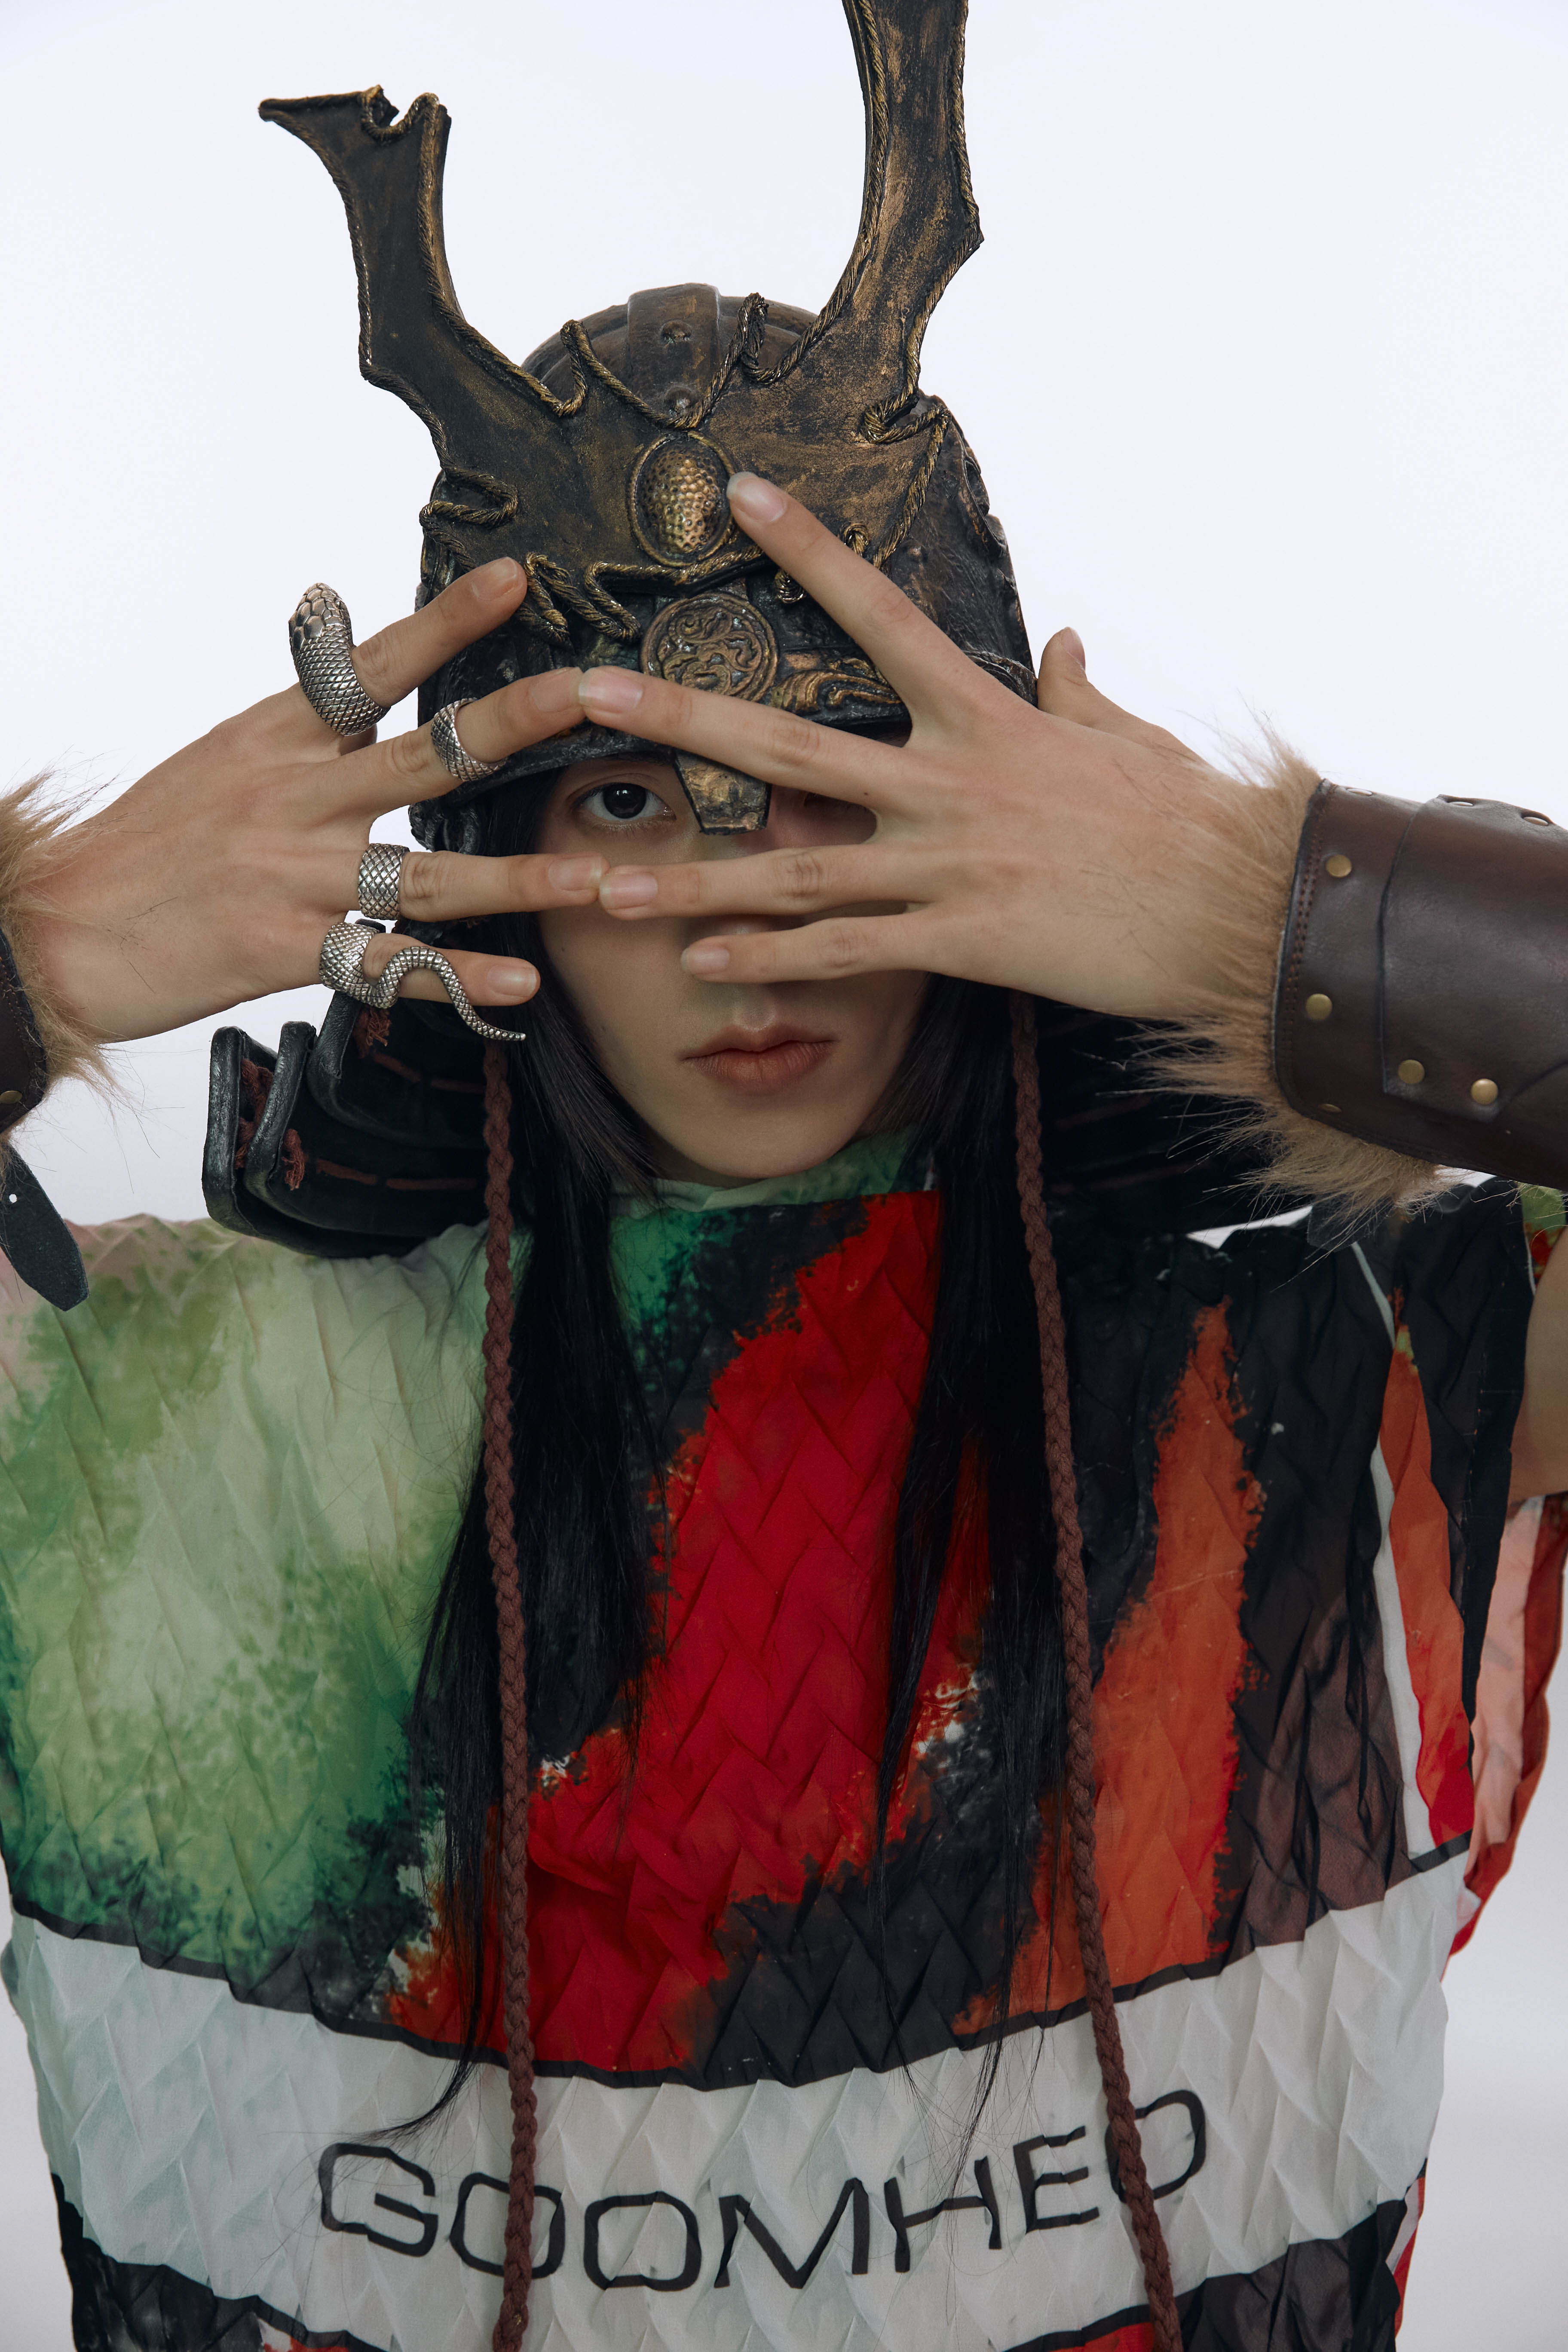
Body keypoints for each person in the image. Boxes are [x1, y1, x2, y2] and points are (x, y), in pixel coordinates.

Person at [3, 9, 1567, 2352]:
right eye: (630, 802)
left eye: (840, 782)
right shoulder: (154, 1439)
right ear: (500, 868)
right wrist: (40, 949)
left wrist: (1266, 917)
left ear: (1001, 824)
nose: (748, 927)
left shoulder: (1333, 1398)